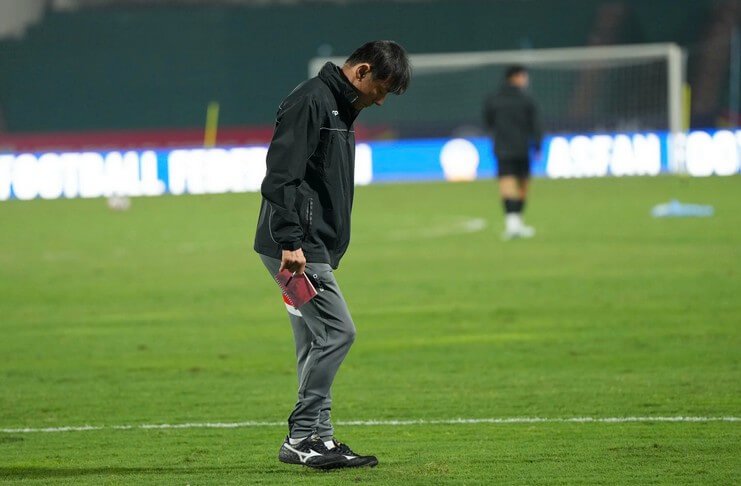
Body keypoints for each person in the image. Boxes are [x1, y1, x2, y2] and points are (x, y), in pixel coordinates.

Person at [253, 40, 411, 470]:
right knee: (339, 332)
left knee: (313, 340)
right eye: (381, 88)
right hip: (297, 248)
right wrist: (290, 241)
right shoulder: (312, 102)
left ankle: (319, 440)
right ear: (361, 71)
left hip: (307, 245)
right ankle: (302, 435)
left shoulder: (339, 108)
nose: (380, 100)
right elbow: (281, 174)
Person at [483, 65, 542, 240]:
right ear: (515, 77)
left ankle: (512, 224)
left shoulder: (493, 99)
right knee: (522, 185)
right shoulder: (527, 99)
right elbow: (536, 125)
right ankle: (517, 223)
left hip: (502, 147)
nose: (525, 80)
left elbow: (488, 122)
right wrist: (537, 146)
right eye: (523, 76)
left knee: (506, 183)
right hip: (522, 147)